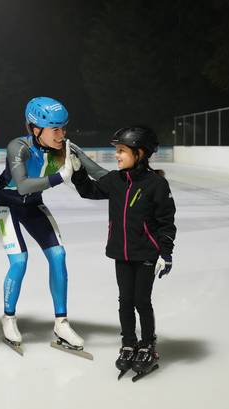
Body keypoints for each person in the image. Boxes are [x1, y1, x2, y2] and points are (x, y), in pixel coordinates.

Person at [70, 126, 176, 377]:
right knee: (125, 301)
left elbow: (166, 222)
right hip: (122, 253)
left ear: (139, 153)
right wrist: (78, 173)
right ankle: (129, 342)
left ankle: (148, 344)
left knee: (142, 301)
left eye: (121, 151)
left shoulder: (156, 184)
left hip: (147, 254)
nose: (116, 155)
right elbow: (89, 190)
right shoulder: (116, 181)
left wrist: (166, 252)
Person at [0, 96, 87, 353]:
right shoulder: (17, 147)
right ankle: (8, 317)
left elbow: (99, 174)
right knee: (19, 260)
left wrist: (138, 177)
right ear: (35, 129)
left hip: (32, 205)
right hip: (4, 203)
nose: (61, 134)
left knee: (58, 255)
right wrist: (59, 177)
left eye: (64, 128)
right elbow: (22, 185)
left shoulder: (64, 148)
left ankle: (61, 322)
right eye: (55, 129)